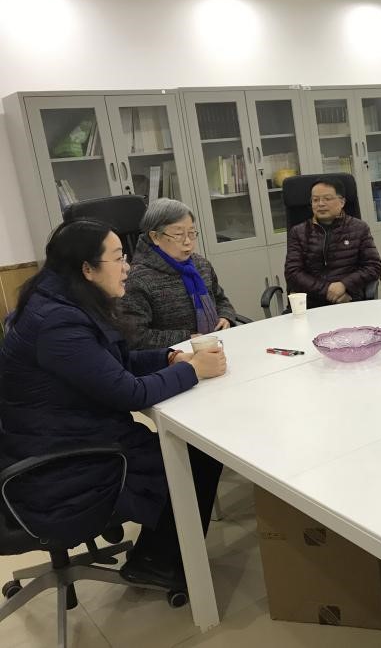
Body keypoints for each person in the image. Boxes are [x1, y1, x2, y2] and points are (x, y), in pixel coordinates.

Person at [0, 217, 227, 590]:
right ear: (87, 269)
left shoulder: (60, 302)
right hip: (60, 465)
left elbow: (109, 364)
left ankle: (158, 552)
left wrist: (168, 358)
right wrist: (193, 370)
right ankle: (158, 561)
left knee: (183, 447)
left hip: (54, 438)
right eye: (119, 258)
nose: (127, 267)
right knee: (195, 453)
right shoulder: (59, 324)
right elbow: (129, 393)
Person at [120, 198, 237, 349]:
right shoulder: (138, 279)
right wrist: (187, 339)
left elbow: (221, 299)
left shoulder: (201, 265)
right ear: (155, 237)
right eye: (179, 234)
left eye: (191, 233)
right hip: (176, 357)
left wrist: (225, 316)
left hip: (217, 345)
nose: (188, 241)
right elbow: (136, 337)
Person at [284, 177, 381, 308]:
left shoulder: (359, 228)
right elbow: (292, 273)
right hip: (310, 306)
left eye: (327, 199)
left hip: (349, 301)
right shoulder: (298, 232)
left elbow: (374, 266)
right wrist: (327, 290)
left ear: (342, 202)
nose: (321, 204)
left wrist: (344, 285)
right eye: (315, 200)